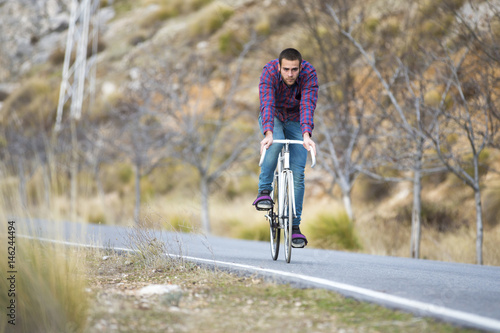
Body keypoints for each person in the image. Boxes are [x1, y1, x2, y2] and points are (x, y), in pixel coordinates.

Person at [253, 48, 318, 248]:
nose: (290, 74)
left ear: (300, 67)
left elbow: (307, 105)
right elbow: (267, 103)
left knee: (298, 174)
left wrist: (306, 135)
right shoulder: (269, 72)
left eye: (294, 70)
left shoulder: (309, 74)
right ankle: (264, 191)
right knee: (275, 144)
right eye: (286, 69)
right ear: (279, 66)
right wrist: (269, 134)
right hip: (273, 117)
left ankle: (295, 228)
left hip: (297, 120)